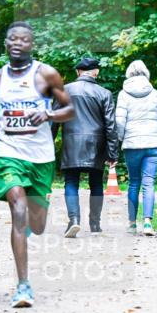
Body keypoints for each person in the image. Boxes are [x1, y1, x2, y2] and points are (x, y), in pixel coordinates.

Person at [0, 22, 75, 308]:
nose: (17, 43)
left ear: (32, 44)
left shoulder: (46, 75)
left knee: (39, 224)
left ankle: (37, 216)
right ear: (6, 43)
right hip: (9, 152)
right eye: (12, 38)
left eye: (24, 39)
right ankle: (23, 286)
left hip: (41, 157)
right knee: (18, 212)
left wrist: (47, 115)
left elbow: (69, 110)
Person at [52, 56, 118, 236]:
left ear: (78, 72)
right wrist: (113, 153)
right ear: (96, 72)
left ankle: (74, 220)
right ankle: (95, 225)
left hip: (72, 143)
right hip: (96, 145)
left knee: (71, 181)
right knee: (96, 183)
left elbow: (54, 121)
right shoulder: (105, 93)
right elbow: (111, 126)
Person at [115, 60, 157, 236]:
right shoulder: (154, 92)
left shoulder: (123, 94)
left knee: (134, 182)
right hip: (153, 144)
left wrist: (121, 139)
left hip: (132, 145)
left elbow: (120, 121)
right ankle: (148, 223)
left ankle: (132, 223)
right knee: (149, 182)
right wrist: (154, 133)